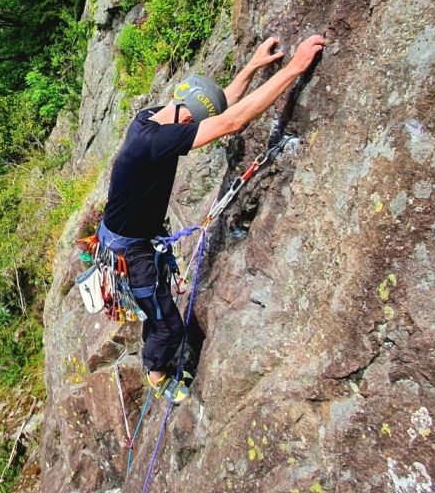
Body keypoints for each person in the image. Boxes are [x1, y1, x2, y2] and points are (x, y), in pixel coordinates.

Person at [99, 34, 327, 401]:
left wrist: (253, 67)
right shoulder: (155, 143)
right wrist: (296, 68)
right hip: (131, 253)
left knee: (156, 305)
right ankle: (156, 373)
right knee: (168, 323)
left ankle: (153, 330)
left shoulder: (151, 119)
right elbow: (230, 122)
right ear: (186, 117)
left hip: (128, 237)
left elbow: (217, 112)